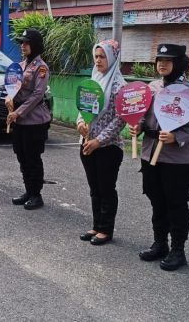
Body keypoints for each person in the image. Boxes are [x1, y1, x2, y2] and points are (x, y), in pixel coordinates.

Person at [129, 44, 189, 271]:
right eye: (159, 59)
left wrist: (178, 136)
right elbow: (144, 116)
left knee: (176, 203)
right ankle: (160, 243)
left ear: (180, 63)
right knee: (156, 200)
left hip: (177, 159)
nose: (162, 64)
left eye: (168, 60)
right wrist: (139, 127)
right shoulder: (152, 87)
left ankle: (178, 250)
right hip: (150, 153)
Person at [77, 39, 127, 245]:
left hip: (108, 147)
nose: (98, 60)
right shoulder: (93, 79)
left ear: (113, 58)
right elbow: (82, 107)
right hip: (86, 143)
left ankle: (106, 230)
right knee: (94, 187)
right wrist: (80, 122)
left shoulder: (119, 86)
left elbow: (120, 119)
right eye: (96, 56)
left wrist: (99, 140)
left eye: (102, 56)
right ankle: (96, 225)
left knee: (106, 188)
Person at [7, 29, 51, 210]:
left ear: (35, 45)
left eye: (26, 43)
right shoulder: (19, 66)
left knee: (33, 157)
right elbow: (12, 87)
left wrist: (18, 112)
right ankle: (28, 190)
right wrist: (8, 99)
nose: (22, 46)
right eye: (21, 43)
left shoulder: (41, 68)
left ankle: (36, 194)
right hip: (19, 119)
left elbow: (37, 95)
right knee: (21, 155)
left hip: (34, 120)